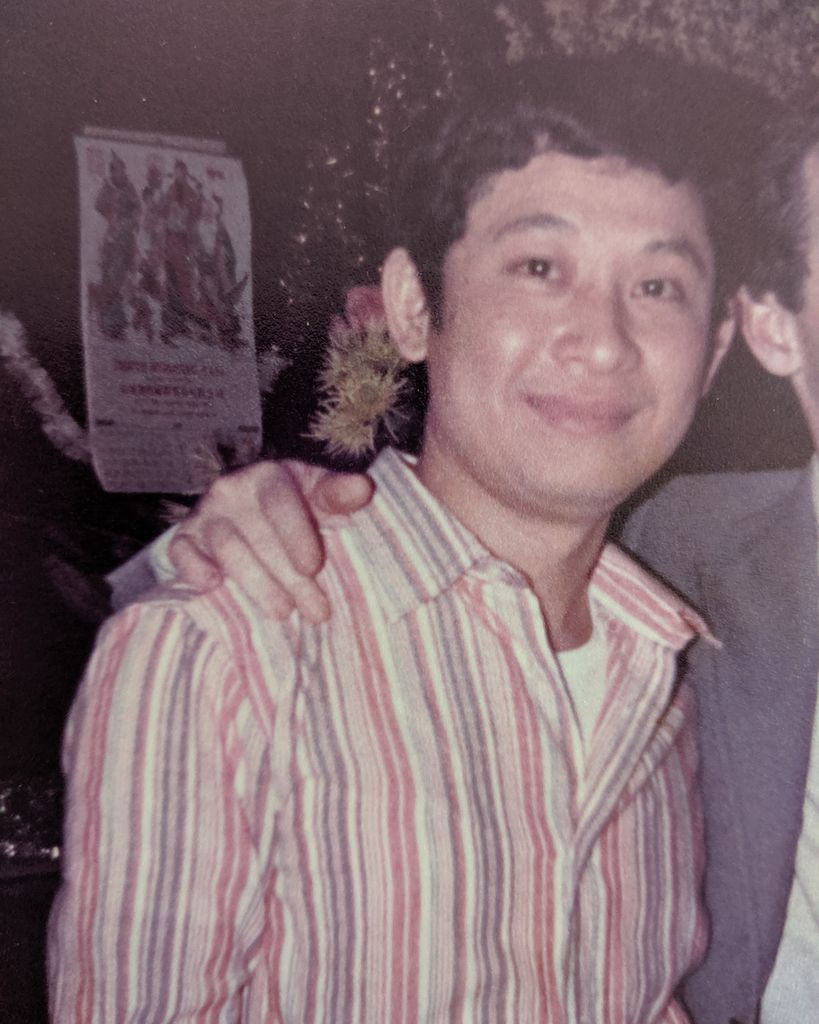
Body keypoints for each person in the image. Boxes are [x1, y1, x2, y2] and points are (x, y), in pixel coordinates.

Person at [51, 55, 745, 1021]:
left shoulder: (662, 670)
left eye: (659, 286)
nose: (601, 339)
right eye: (538, 268)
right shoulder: (225, 642)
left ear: (712, 354)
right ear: (413, 307)